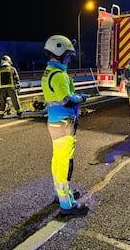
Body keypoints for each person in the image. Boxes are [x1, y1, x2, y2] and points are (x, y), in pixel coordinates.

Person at [41, 35, 89, 217]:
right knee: (64, 163)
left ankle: (59, 193)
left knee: (57, 160)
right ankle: (66, 203)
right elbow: (68, 101)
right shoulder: (59, 75)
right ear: (60, 53)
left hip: (55, 122)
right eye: (68, 56)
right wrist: (82, 98)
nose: (69, 59)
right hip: (64, 124)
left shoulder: (49, 72)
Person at [0, 55, 23, 119]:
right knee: (15, 101)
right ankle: (20, 113)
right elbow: (16, 78)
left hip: (2, 89)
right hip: (11, 88)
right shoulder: (12, 69)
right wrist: (18, 87)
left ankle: (0, 115)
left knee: (2, 102)